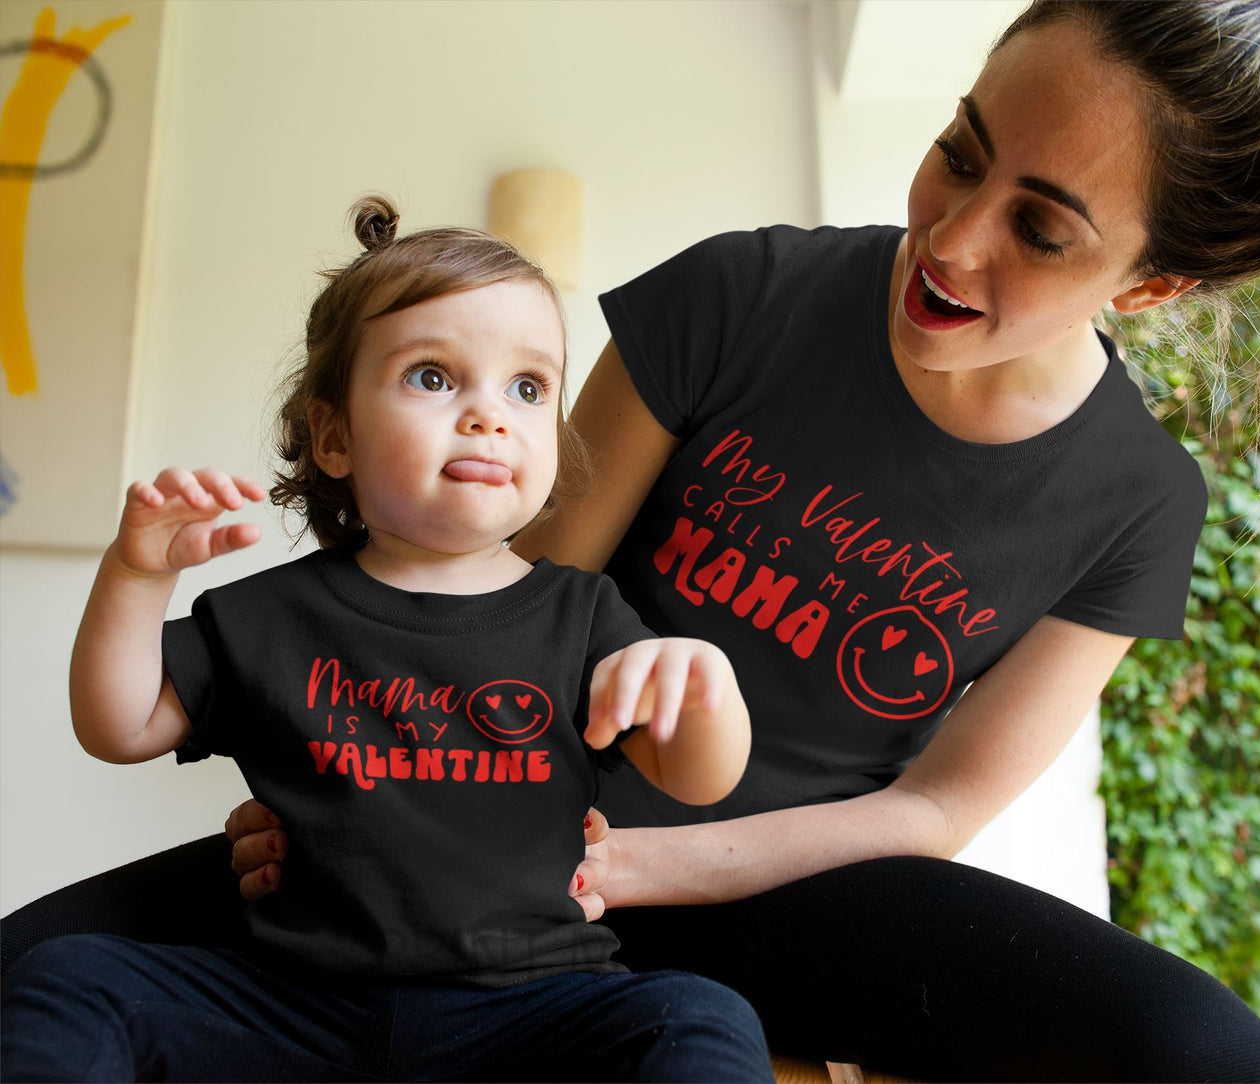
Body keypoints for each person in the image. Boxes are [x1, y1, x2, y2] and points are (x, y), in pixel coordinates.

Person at [6, 1, 1260, 1080]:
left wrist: (643, 871)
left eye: (1042, 230)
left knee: (1209, 1060)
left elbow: (935, 812)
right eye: (958, 152)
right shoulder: (736, 294)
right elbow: (515, 584)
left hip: (783, 892)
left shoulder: (1136, 505)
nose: (948, 239)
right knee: (27, 979)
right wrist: (354, 795)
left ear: (1153, 282)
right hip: (484, 837)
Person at [0, 199, 774, 1083]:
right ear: (333, 436)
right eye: (434, 378)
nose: (489, 414)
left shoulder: (583, 617)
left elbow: (699, 777)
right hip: (291, 1002)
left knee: (700, 1016)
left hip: (529, 1006)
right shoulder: (269, 613)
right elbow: (119, 726)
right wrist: (136, 577)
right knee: (71, 978)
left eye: (527, 388)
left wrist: (703, 679)